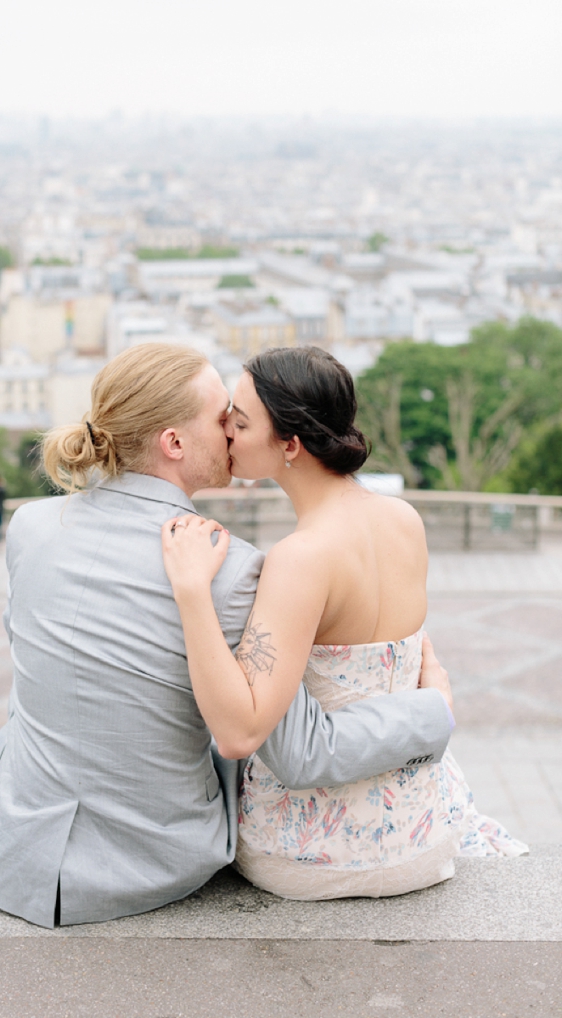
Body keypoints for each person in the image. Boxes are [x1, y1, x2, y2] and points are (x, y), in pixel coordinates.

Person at [0, 342, 455, 928]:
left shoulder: (31, 527)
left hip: (8, 848)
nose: (230, 430)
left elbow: (33, 661)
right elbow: (293, 745)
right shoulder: (232, 569)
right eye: (224, 416)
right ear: (173, 442)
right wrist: (434, 712)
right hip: (150, 865)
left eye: (238, 418)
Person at [162, 346, 528, 902]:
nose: (227, 434)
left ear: (290, 444)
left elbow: (241, 733)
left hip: (310, 852)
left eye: (238, 421)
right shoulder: (404, 519)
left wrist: (191, 592)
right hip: (424, 832)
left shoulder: (300, 558)